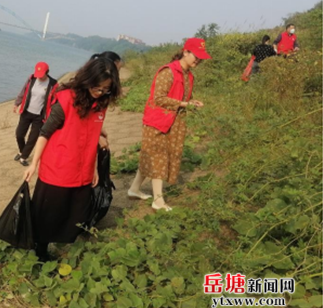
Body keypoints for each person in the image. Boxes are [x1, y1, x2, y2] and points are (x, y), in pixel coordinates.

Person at [23, 57, 121, 261]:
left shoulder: (100, 104)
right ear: (88, 79)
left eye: (106, 89)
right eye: (97, 87)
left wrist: (93, 167)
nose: (100, 92)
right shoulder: (66, 99)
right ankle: (40, 252)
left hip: (83, 168)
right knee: (49, 213)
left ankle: (65, 242)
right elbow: (44, 133)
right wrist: (33, 163)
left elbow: (92, 136)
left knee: (76, 211)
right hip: (58, 167)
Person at [128, 38, 211, 211]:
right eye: (196, 56)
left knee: (152, 156)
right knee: (159, 158)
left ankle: (134, 189)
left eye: (201, 58)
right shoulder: (168, 72)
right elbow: (158, 98)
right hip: (158, 121)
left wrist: (191, 102)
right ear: (185, 52)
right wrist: (184, 104)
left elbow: (182, 98)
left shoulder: (188, 75)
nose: (198, 60)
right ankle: (158, 200)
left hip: (174, 122)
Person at [13, 62, 59, 166]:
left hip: (39, 116)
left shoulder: (53, 84)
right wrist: (17, 103)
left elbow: (54, 100)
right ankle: (21, 151)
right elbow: (23, 91)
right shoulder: (32, 78)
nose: (39, 76)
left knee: (32, 138)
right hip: (26, 112)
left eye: (41, 74)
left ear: (47, 72)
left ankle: (23, 157)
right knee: (19, 134)